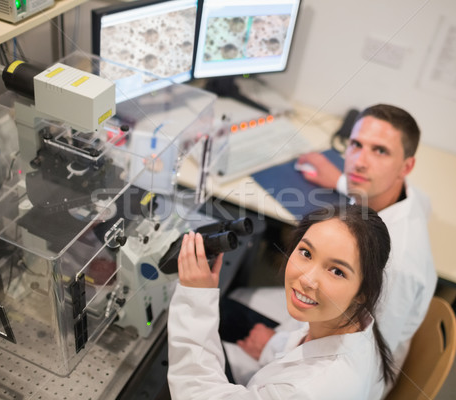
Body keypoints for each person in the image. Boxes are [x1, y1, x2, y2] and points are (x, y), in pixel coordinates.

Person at [229, 104, 437, 388]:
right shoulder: (408, 199)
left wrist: (271, 347)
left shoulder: (394, 264)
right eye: (356, 145)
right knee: (232, 300)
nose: (359, 162)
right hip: (323, 318)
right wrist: (341, 180)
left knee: (223, 312)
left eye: (380, 151)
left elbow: (364, 357)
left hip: (333, 371)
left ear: (407, 166)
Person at [167, 204, 395, 399]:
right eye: (306, 253)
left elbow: (196, 394)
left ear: (363, 292)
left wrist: (194, 297)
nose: (307, 280)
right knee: (223, 309)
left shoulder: (305, 390)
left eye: (336, 271)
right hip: (273, 357)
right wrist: (271, 347)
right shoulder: (355, 325)